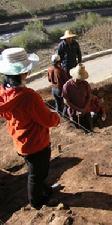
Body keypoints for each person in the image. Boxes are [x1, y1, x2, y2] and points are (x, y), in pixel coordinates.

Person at [0, 48, 60, 210]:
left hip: (20, 141)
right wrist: (56, 118)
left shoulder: (3, 91)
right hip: (36, 143)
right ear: (24, 72)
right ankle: (37, 202)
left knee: (36, 171)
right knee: (37, 174)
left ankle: (46, 190)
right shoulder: (28, 96)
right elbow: (47, 120)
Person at [62, 63, 93, 132]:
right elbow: (66, 101)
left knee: (88, 129)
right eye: (80, 78)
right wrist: (78, 109)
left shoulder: (85, 84)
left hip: (86, 112)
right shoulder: (67, 86)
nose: (81, 80)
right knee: (78, 131)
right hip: (74, 113)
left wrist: (84, 109)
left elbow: (89, 97)